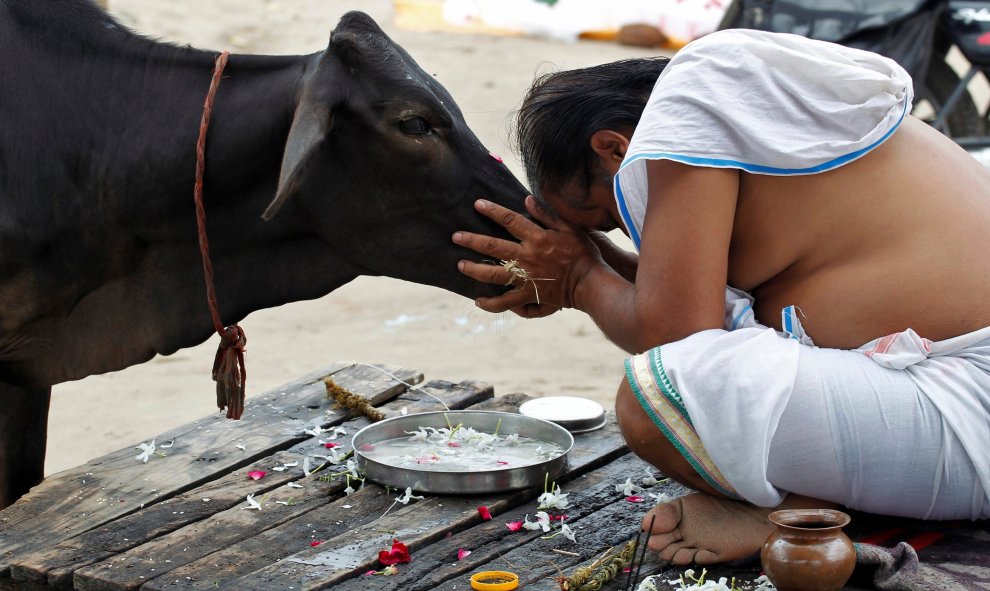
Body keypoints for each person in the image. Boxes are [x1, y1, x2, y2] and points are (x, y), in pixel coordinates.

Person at [451, 28, 990, 565]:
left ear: (615, 149)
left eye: (607, 218)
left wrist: (579, 279)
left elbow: (681, 338)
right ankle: (824, 496)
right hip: (956, 409)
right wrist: (588, 266)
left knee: (653, 399)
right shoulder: (741, 126)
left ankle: (787, 510)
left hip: (972, 405)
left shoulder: (691, 100)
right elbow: (691, 303)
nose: (627, 229)